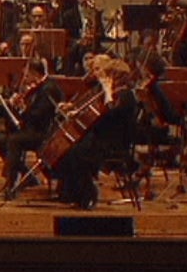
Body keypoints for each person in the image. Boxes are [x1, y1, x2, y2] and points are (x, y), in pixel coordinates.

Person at [48, 54, 138, 209]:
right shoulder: (114, 94)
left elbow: (111, 114)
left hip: (114, 144)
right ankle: (72, 193)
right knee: (69, 151)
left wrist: (107, 91)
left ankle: (89, 194)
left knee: (76, 154)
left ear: (118, 77)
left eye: (109, 75)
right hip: (100, 140)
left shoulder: (126, 95)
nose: (106, 79)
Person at [0, 59, 63, 198]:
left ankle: (11, 185)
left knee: (14, 141)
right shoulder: (38, 88)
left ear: (35, 73)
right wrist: (16, 107)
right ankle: (28, 176)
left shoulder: (49, 88)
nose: (24, 79)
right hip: (32, 130)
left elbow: (40, 116)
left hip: (45, 133)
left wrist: (24, 109)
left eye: (27, 75)